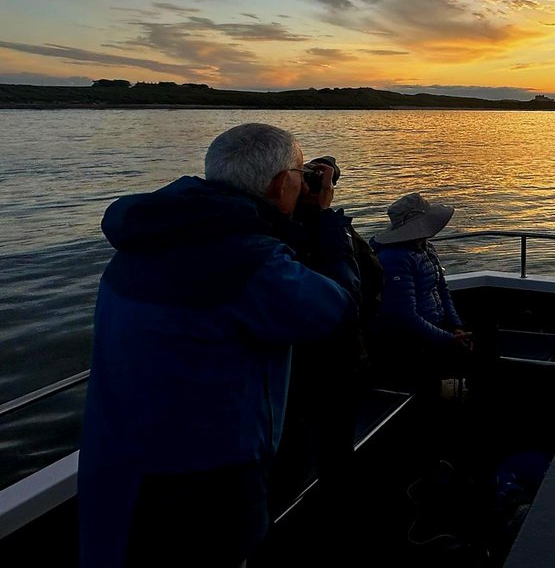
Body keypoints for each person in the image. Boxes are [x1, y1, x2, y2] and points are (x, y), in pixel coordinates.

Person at [78, 123, 360, 568]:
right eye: (300, 174)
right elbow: (337, 311)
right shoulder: (249, 261)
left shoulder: (148, 237)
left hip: (118, 465)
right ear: (281, 183)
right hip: (203, 482)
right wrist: (324, 221)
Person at [270, 156, 384, 517]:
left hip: (296, 371)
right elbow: (352, 295)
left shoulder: (269, 235)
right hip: (327, 368)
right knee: (330, 455)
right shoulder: (321, 234)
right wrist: (323, 216)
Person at [367, 192, 474, 397]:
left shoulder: (425, 248)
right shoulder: (394, 258)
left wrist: (456, 325)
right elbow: (405, 314)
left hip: (436, 324)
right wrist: (448, 338)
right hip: (412, 338)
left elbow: (442, 289)